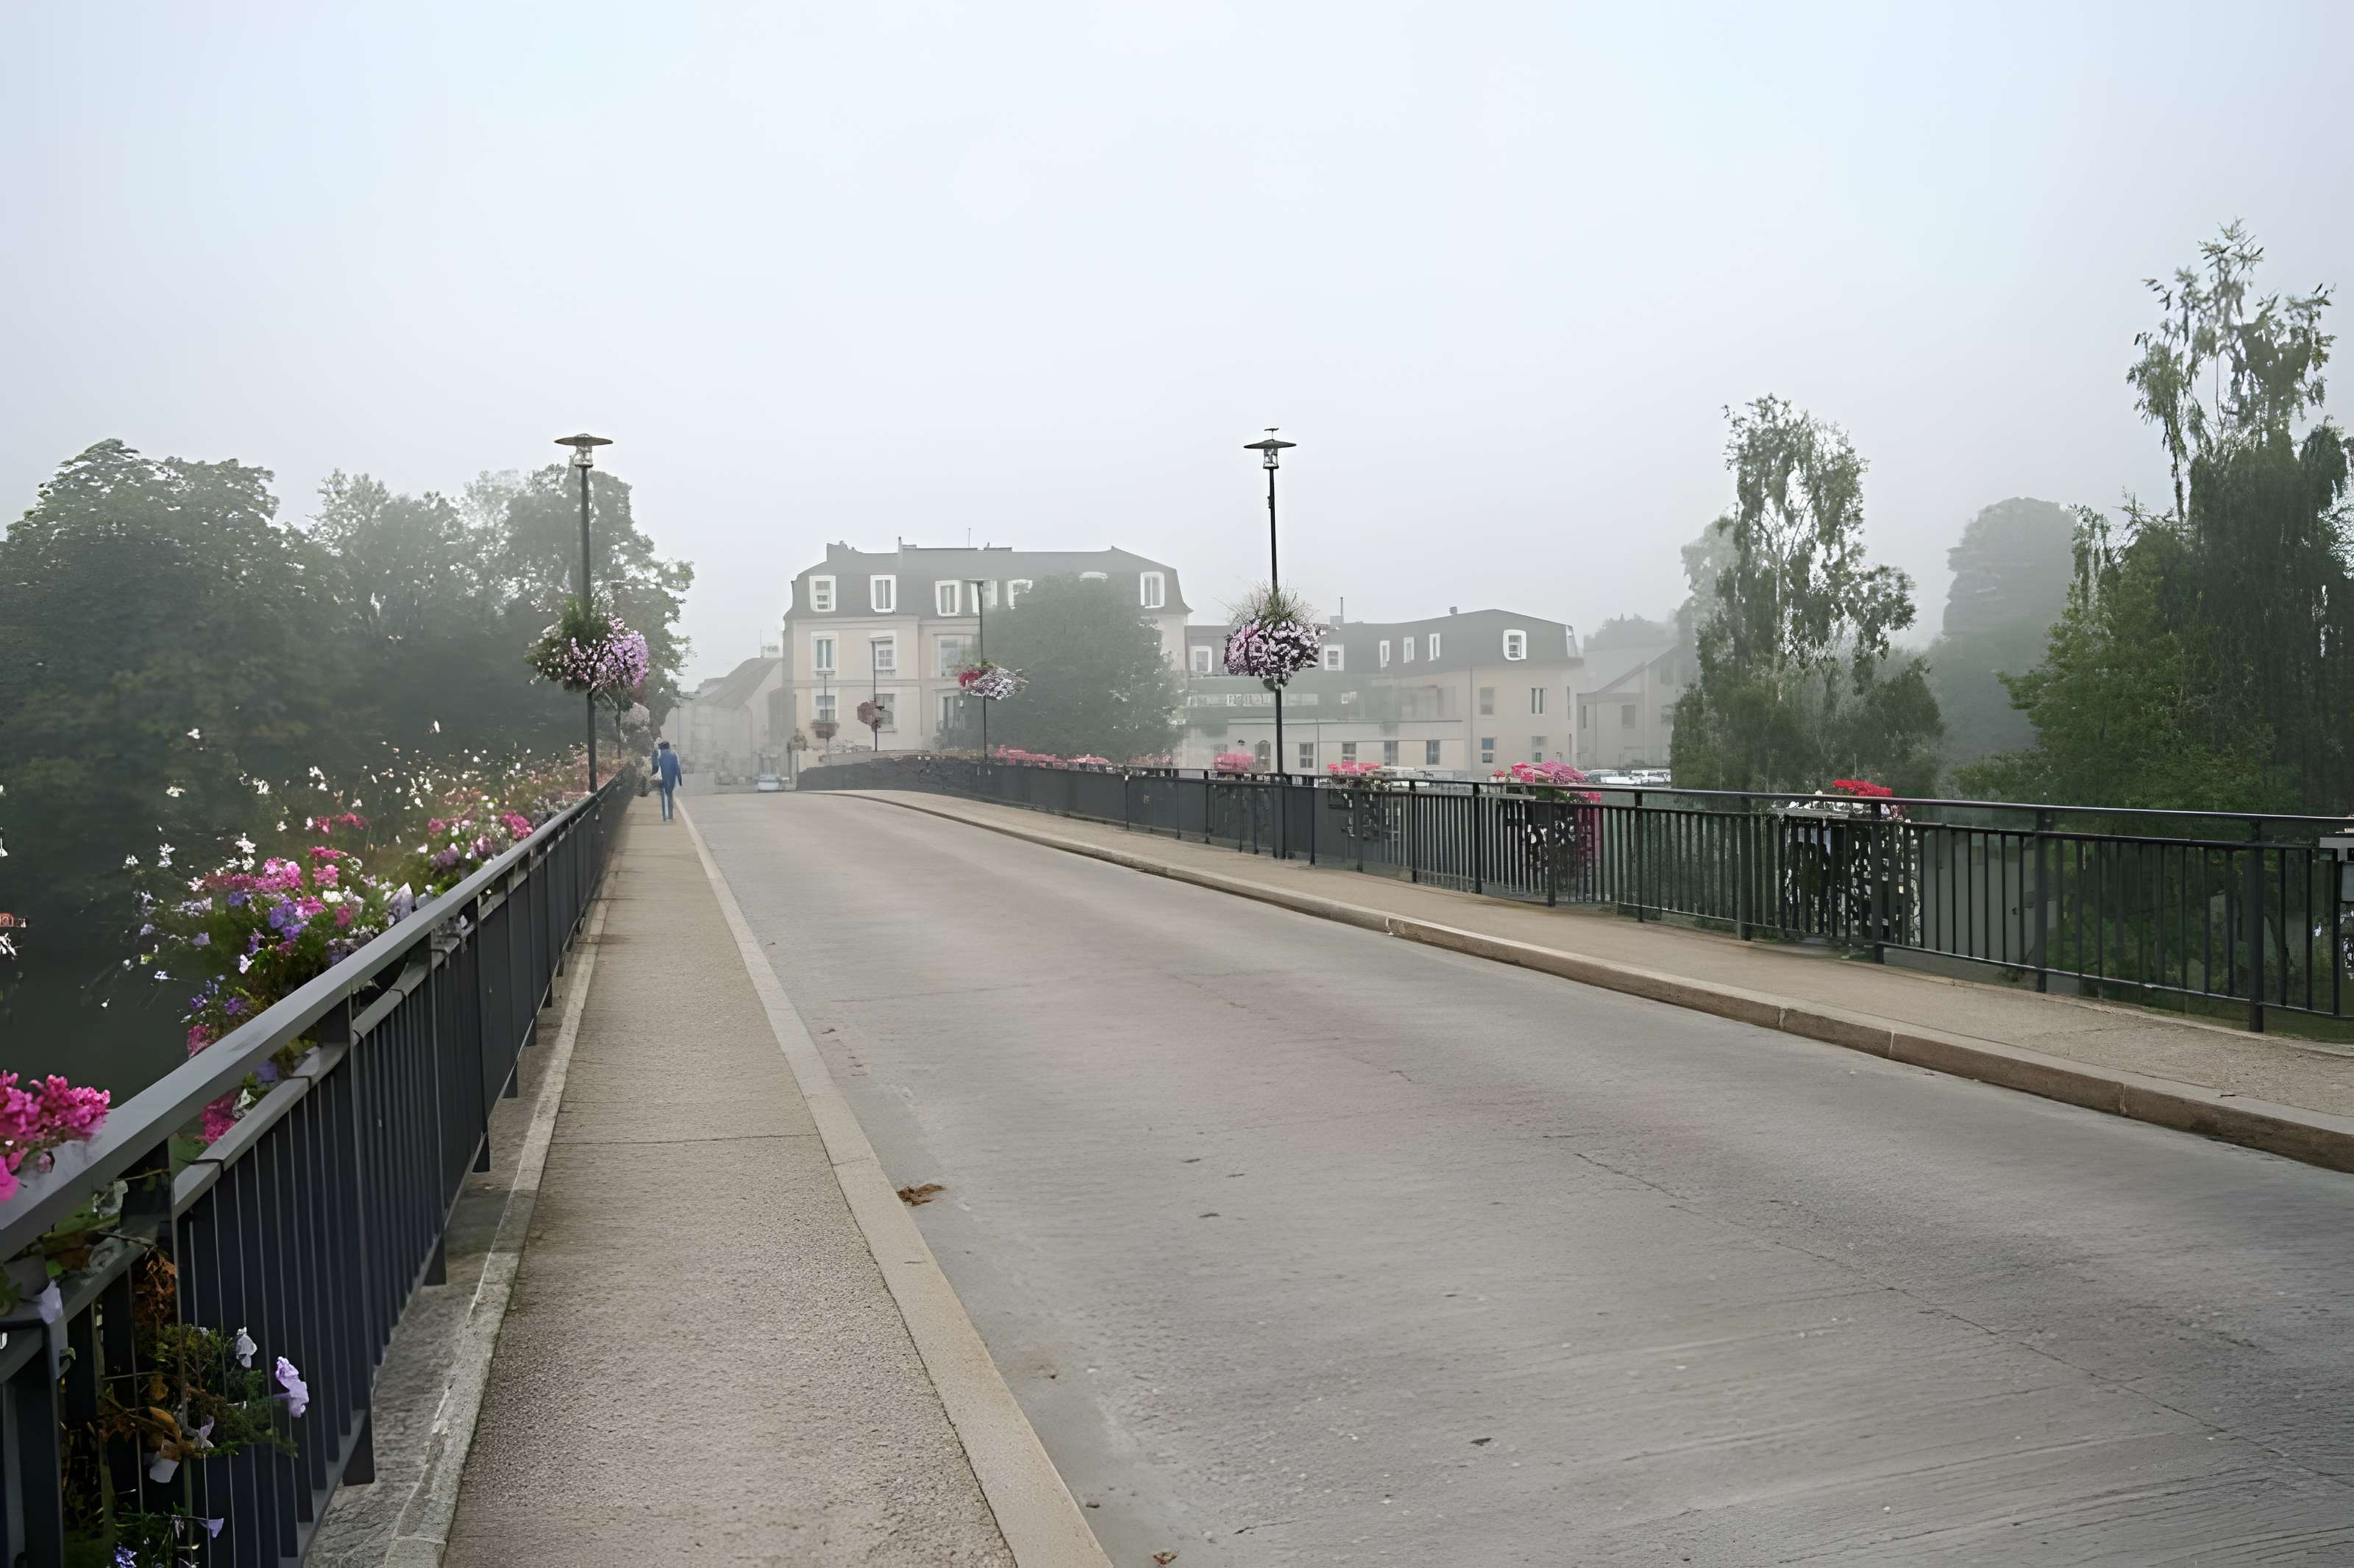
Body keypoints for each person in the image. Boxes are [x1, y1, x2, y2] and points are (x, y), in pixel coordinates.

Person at [654, 739, 684, 822]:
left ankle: (665, 816)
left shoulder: (661, 757)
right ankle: (670, 816)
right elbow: (677, 769)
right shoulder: (674, 756)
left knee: (664, 798)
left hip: (662, 780)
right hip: (671, 780)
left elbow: (656, 768)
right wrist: (680, 780)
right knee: (670, 797)